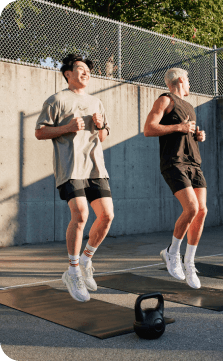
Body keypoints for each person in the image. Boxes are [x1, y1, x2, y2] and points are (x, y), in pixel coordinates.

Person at [35, 54, 114, 302]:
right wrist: (67, 128)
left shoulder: (96, 101)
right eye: (80, 69)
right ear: (67, 74)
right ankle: (72, 271)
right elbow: (40, 131)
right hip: (70, 168)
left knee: (107, 215)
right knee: (80, 214)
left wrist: (101, 127)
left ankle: (86, 260)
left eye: (88, 70)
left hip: (95, 169)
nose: (86, 73)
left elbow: (102, 137)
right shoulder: (57, 100)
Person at [144, 68, 208, 289]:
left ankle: (189, 263)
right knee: (191, 208)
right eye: (188, 79)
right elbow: (148, 129)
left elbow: (185, 134)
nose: (189, 83)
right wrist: (179, 127)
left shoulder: (189, 106)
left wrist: (196, 136)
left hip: (193, 162)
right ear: (181, 80)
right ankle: (172, 252)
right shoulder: (165, 100)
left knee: (202, 211)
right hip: (174, 162)